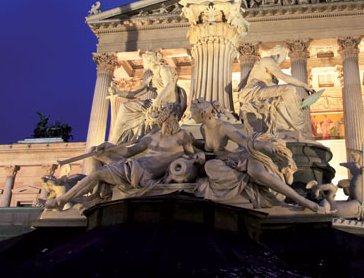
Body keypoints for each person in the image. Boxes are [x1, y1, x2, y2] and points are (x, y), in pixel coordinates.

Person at [45, 104, 196, 210]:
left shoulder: (183, 135)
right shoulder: (151, 136)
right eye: (174, 116)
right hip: (133, 165)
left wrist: (198, 157)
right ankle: (98, 194)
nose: (177, 119)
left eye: (176, 116)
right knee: (95, 153)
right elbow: (129, 152)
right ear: (166, 117)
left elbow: (192, 155)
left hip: (141, 173)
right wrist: (109, 145)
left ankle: (62, 200)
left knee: (97, 174)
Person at [190, 99, 323, 212]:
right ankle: (248, 190)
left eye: (193, 113)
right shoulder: (203, 128)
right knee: (210, 166)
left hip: (241, 158)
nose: (191, 116)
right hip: (223, 161)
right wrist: (194, 142)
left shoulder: (224, 127)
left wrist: (263, 145)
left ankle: (303, 201)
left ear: (203, 114)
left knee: (260, 173)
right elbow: (209, 148)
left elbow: (244, 141)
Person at [238, 45, 316, 140]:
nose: (279, 63)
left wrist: (298, 102)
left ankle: (291, 127)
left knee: (286, 95)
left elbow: (275, 90)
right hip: (254, 92)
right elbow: (285, 78)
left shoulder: (270, 75)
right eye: (281, 59)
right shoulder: (267, 60)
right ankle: (300, 127)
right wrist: (304, 85)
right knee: (289, 89)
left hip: (262, 91)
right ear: (278, 55)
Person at [108, 51, 186, 144]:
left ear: (150, 60)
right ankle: (115, 139)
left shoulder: (163, 68)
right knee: (124, 107)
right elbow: (136, 93)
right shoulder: (151, 77)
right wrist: (118, 92)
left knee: (128, 108)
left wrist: (157, 101)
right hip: (155, 102)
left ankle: (117, 139)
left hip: (166, 103)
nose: (143, 63)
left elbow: (169, 85)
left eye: (144, 60)